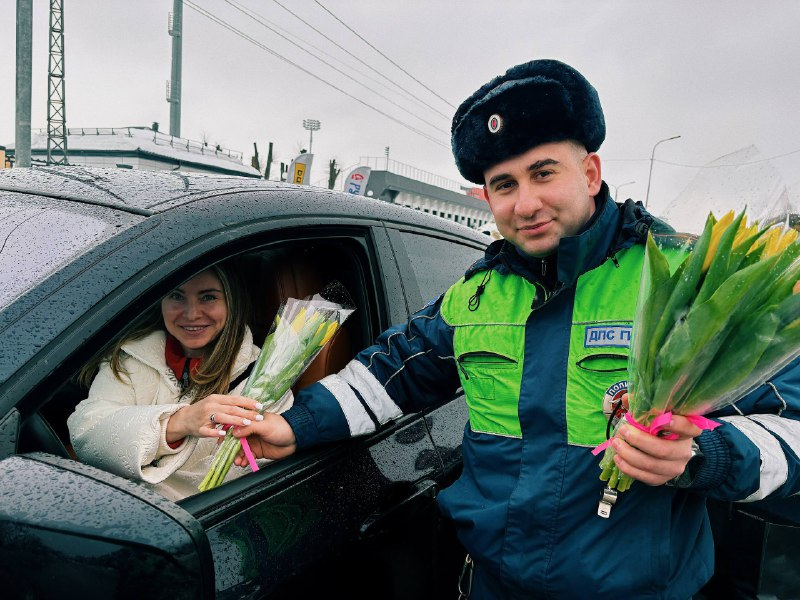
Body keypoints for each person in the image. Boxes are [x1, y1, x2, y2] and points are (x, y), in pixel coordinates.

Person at [230, 59, 800, 598]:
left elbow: (791, 427)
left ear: (590, 171)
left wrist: (706, 455)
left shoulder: (686, 281)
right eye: (504, 184)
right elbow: (388, 376)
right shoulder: (475, 294)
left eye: (543, 173)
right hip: (490, 585)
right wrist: (295, 426)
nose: (526, 203)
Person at [68, 265, 292, 501]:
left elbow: (255, 480)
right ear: (161, 302)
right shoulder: (131, 357)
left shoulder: (265, 379)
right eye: (176, 296)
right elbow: (87, 432)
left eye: (208, 297)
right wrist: (177, 423)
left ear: (232, 302)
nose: (192, 314)